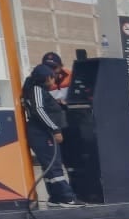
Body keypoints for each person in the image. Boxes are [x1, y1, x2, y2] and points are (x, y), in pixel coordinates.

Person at [21, 64, 83, 207]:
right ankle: (67, 198)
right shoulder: (36, 90)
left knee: (49, 166)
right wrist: (55, 129)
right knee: (54, 166)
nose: (54, 81)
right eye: (52, 78)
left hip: (42, 132)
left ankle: (56, 197)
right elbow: (39, 111)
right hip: (42, 133)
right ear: (47, 78)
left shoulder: (36, 89)